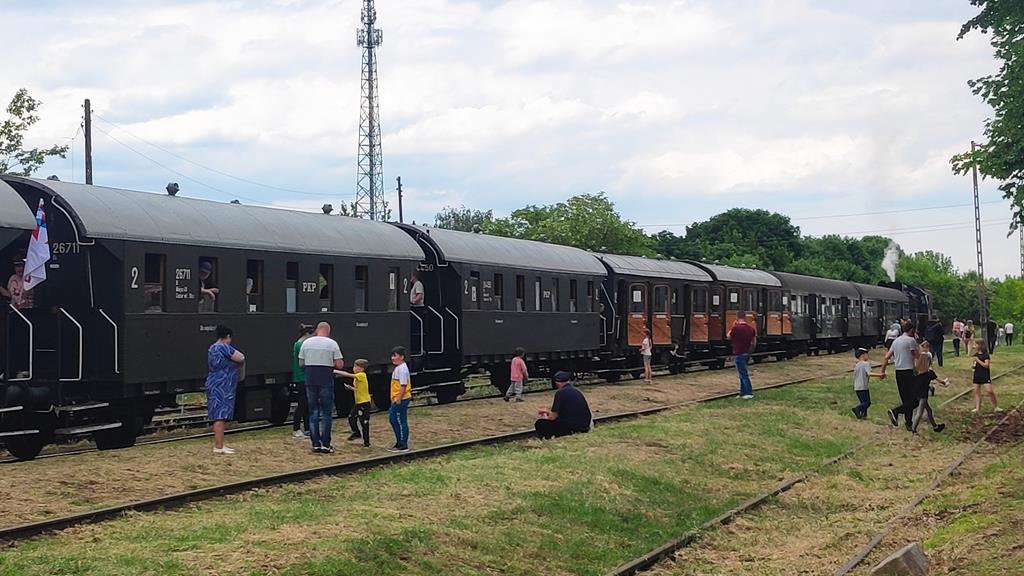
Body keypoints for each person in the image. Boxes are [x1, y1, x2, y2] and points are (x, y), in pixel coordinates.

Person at [299, 322, 344, 454]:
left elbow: (301, 363)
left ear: (317, 330)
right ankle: (325, 443)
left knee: (313, 412)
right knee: (326, 413)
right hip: (326, 380)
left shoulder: (306, 343)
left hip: (310, 379)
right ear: (328, 331)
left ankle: (315, 444)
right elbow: (339, 364)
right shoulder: (332, 344)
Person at [205, 325, 245, 454]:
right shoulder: (223, 347)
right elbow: (240, 357)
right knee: (220, 415)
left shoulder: (212, 348)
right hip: (223, 385)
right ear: (227, 336)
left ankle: (220, 444)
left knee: (219, 414)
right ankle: (218, 446)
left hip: (214, 381)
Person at [881, 322, 919, 431]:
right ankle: (896, 411)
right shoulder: (911, 341)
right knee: (915, 400)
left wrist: (882, 371)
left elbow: (887, 356)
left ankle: (908, 423)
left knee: (906, 399)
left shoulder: (896, 341)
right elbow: (917, 356)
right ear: (912, 330)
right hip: (909, 372)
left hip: (898, 372)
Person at [535, 371, 592, 439]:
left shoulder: (560, 393)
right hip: (584, 425)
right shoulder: (576, 391)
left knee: (540, 423)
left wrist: (545, 415)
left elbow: (553, 417)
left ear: (557, 383)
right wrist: (547, 412)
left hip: (572, 427)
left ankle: (547, 439)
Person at [910, 340, 947, 434]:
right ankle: (913, 429)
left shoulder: (916, 373)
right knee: (920, 411)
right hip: (923, 394)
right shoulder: (929, 373)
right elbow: (939, 381)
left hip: (915, 391)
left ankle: (935, 426)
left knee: (928, 410)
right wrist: (944, 383)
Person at [335, 359, 371, 448]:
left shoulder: (361, 375)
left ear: (362, 368)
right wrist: (350, 388)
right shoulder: (358, 377)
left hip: (364, 402)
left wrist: (336, 371)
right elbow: (359, 389)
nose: (354, 368)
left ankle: (367, 442)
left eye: (356, 367)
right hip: (358, 402)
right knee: (351, 417)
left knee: (364, 422)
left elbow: (349, 375)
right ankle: (356, 432)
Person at [290, 324, 314, 439]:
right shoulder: (301, 344)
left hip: (303, 376)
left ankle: (307, 428)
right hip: (302, 376)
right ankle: (296, 429)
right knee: (302, 404)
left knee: (306, 404)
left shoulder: (299, 343)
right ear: (308, 333)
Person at [388, 346, 412, 452]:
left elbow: (403, 385)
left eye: (395, 356)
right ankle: (399, 442)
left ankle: (403, 443)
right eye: (392, 355)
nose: (393, 358)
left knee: (396, 419)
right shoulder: (399, 368)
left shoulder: (402, 369)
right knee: (398, 419)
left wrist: (398, 398)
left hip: (401, 398)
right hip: (398, 398)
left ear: (401, 357)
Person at [728, 311, 756, 399]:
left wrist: (733, 326)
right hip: (747, 352)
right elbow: (754, 341)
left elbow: (728, 336)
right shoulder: (751, 329)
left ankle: (748, 392)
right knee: (742, 373)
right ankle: (742, 392)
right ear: (745, 317)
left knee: (743, 374)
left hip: (739, 352)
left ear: (737, 317)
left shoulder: (736, 328)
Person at [851, 347, 884, 420]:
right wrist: (880, 375)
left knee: (863, 402)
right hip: (863, 386)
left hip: (857, 386)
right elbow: (869, 373)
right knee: (867, 402)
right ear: (862, 355)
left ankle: (863, 415)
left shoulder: (857, 365)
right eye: (867, 354)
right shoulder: (866, 364)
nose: (868, 356)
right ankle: (857, 409)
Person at [971, 341, 1002, 414]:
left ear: (980, 345)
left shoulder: (985, 355)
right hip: (977, 375)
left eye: (975, 344)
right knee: (976, 391)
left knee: (989, 391)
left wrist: (977, 360)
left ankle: (996, 406)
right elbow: (974, 364)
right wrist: (973, 365)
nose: (974, 346)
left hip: (984, 375)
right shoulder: (975, 355)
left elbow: (986, 365)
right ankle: (977, 408)